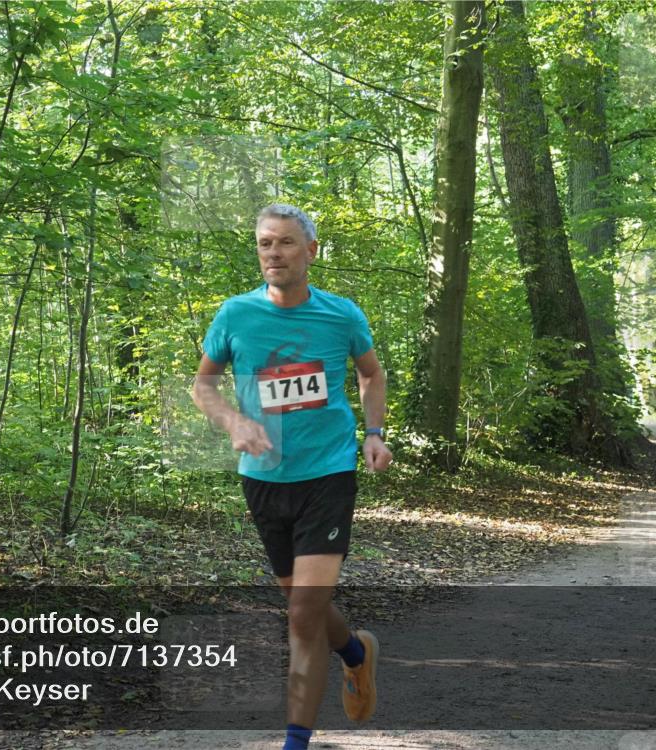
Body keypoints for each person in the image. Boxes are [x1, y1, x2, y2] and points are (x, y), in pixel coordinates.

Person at [191, 203, 393, 750]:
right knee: (301, 600)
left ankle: (295, 743)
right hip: (262, 478)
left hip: (327, 472)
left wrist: (374, 432)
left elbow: (370, 373)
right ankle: (355, 652)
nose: (272, 253)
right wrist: (233, 420)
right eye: (264, 244)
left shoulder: (340, 314)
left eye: (283, 243)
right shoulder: (235, 315)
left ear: (311, 251)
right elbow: (203, 384)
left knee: (302, 614)